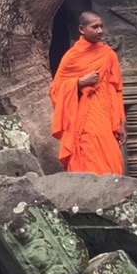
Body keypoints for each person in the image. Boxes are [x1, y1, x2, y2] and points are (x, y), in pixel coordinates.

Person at [50, 11, 126, 174]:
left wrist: (121, 123)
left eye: (101, 26)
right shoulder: (72, 56)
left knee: (112, 161)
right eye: (95, 27)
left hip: (106, 117)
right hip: (83, 119)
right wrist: (79, 82)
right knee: (88, 159)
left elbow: (116, 89)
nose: (100, 31)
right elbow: (55, 90)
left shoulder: (108, 55)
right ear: (82, 29)